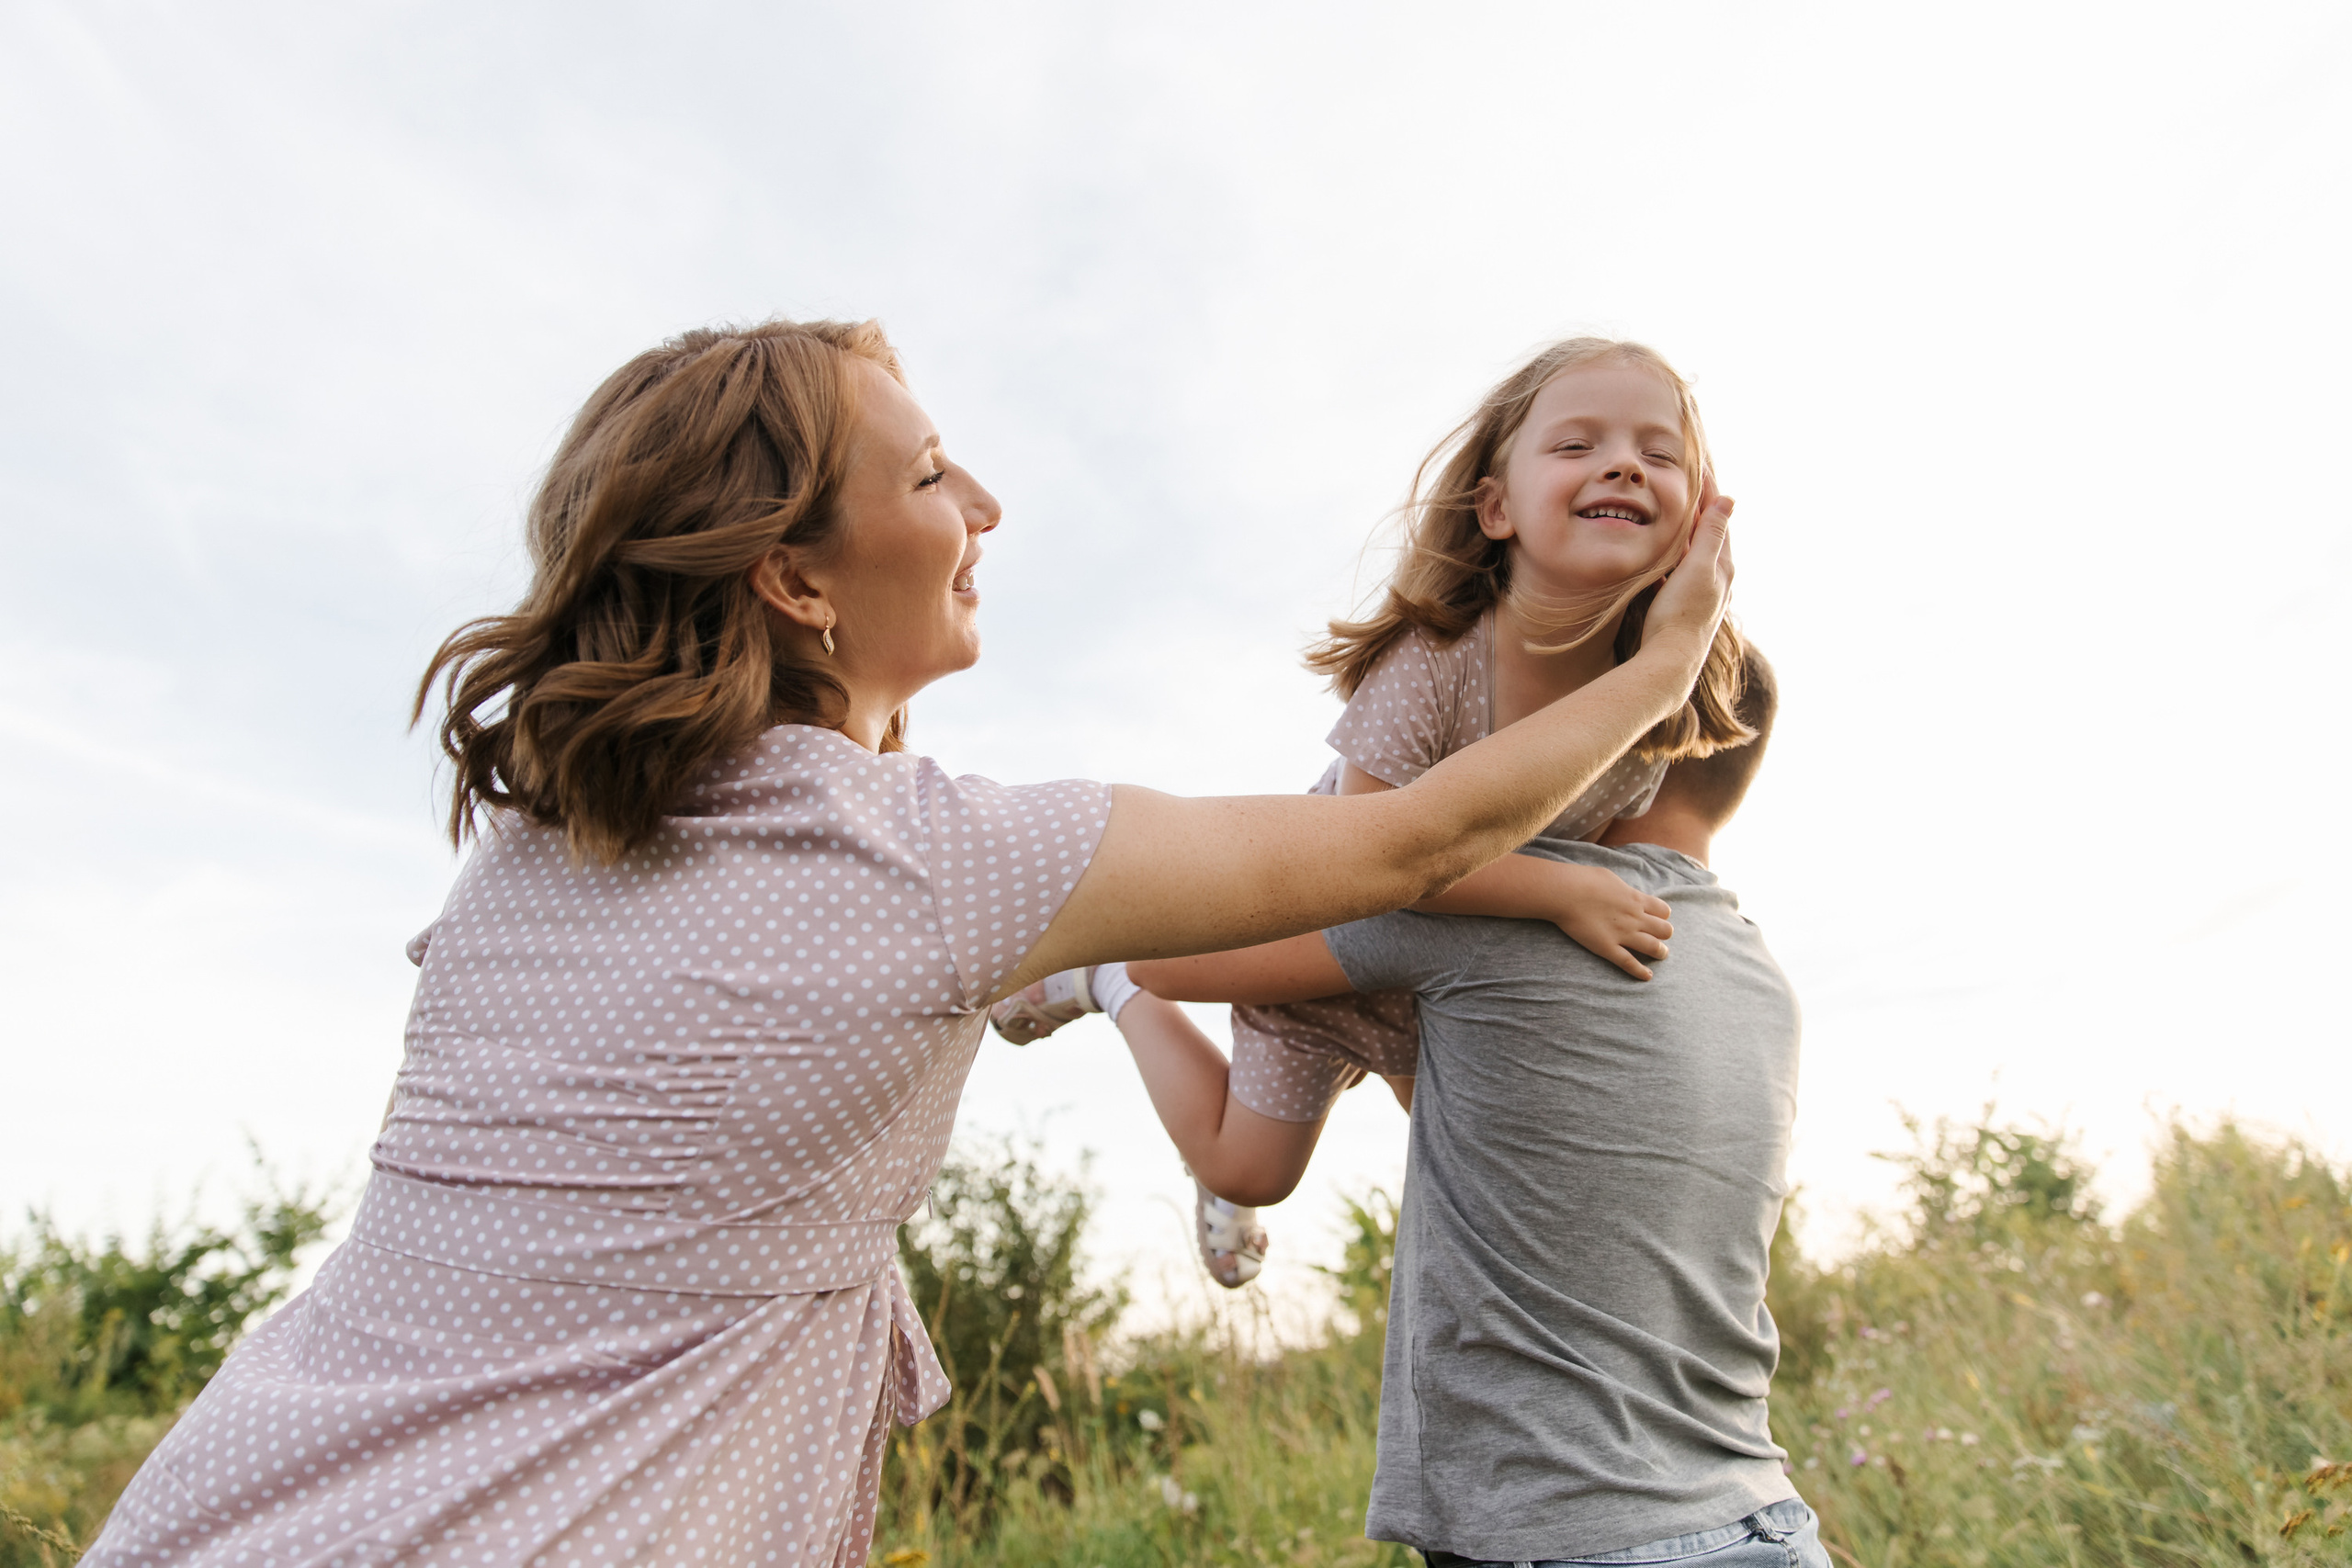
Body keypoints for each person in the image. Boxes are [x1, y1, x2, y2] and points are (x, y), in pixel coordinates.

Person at [82, 319, 1734, 1568]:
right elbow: (1405, 842)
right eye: (937, 474)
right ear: (798, 581)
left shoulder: (532, 840)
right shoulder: (936, 862)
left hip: (237, 1499)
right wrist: (1662, 669)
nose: (989, 505)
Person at [993, 337, 1752, 1284]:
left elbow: (1649, 876)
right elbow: (1377, 854)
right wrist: (1561, 897)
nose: (1623, 464)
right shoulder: (1439, 660)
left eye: (1661, 452)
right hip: (1331, 927)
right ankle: (1107, 982)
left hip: (1445, 967)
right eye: (1576, 445)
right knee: (1252, 1169)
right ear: (1496, 507)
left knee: (1472, 1161)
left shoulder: (1656, 697)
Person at [1081, 652, 1824, 1565]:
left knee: (1246, 1157)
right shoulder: (1759, 978)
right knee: (1268, 1162)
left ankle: (1095, 983)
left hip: (1570, 1533)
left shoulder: (1520, 912)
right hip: (1758, 1518)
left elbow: (1165, 956)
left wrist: (1121, 958)